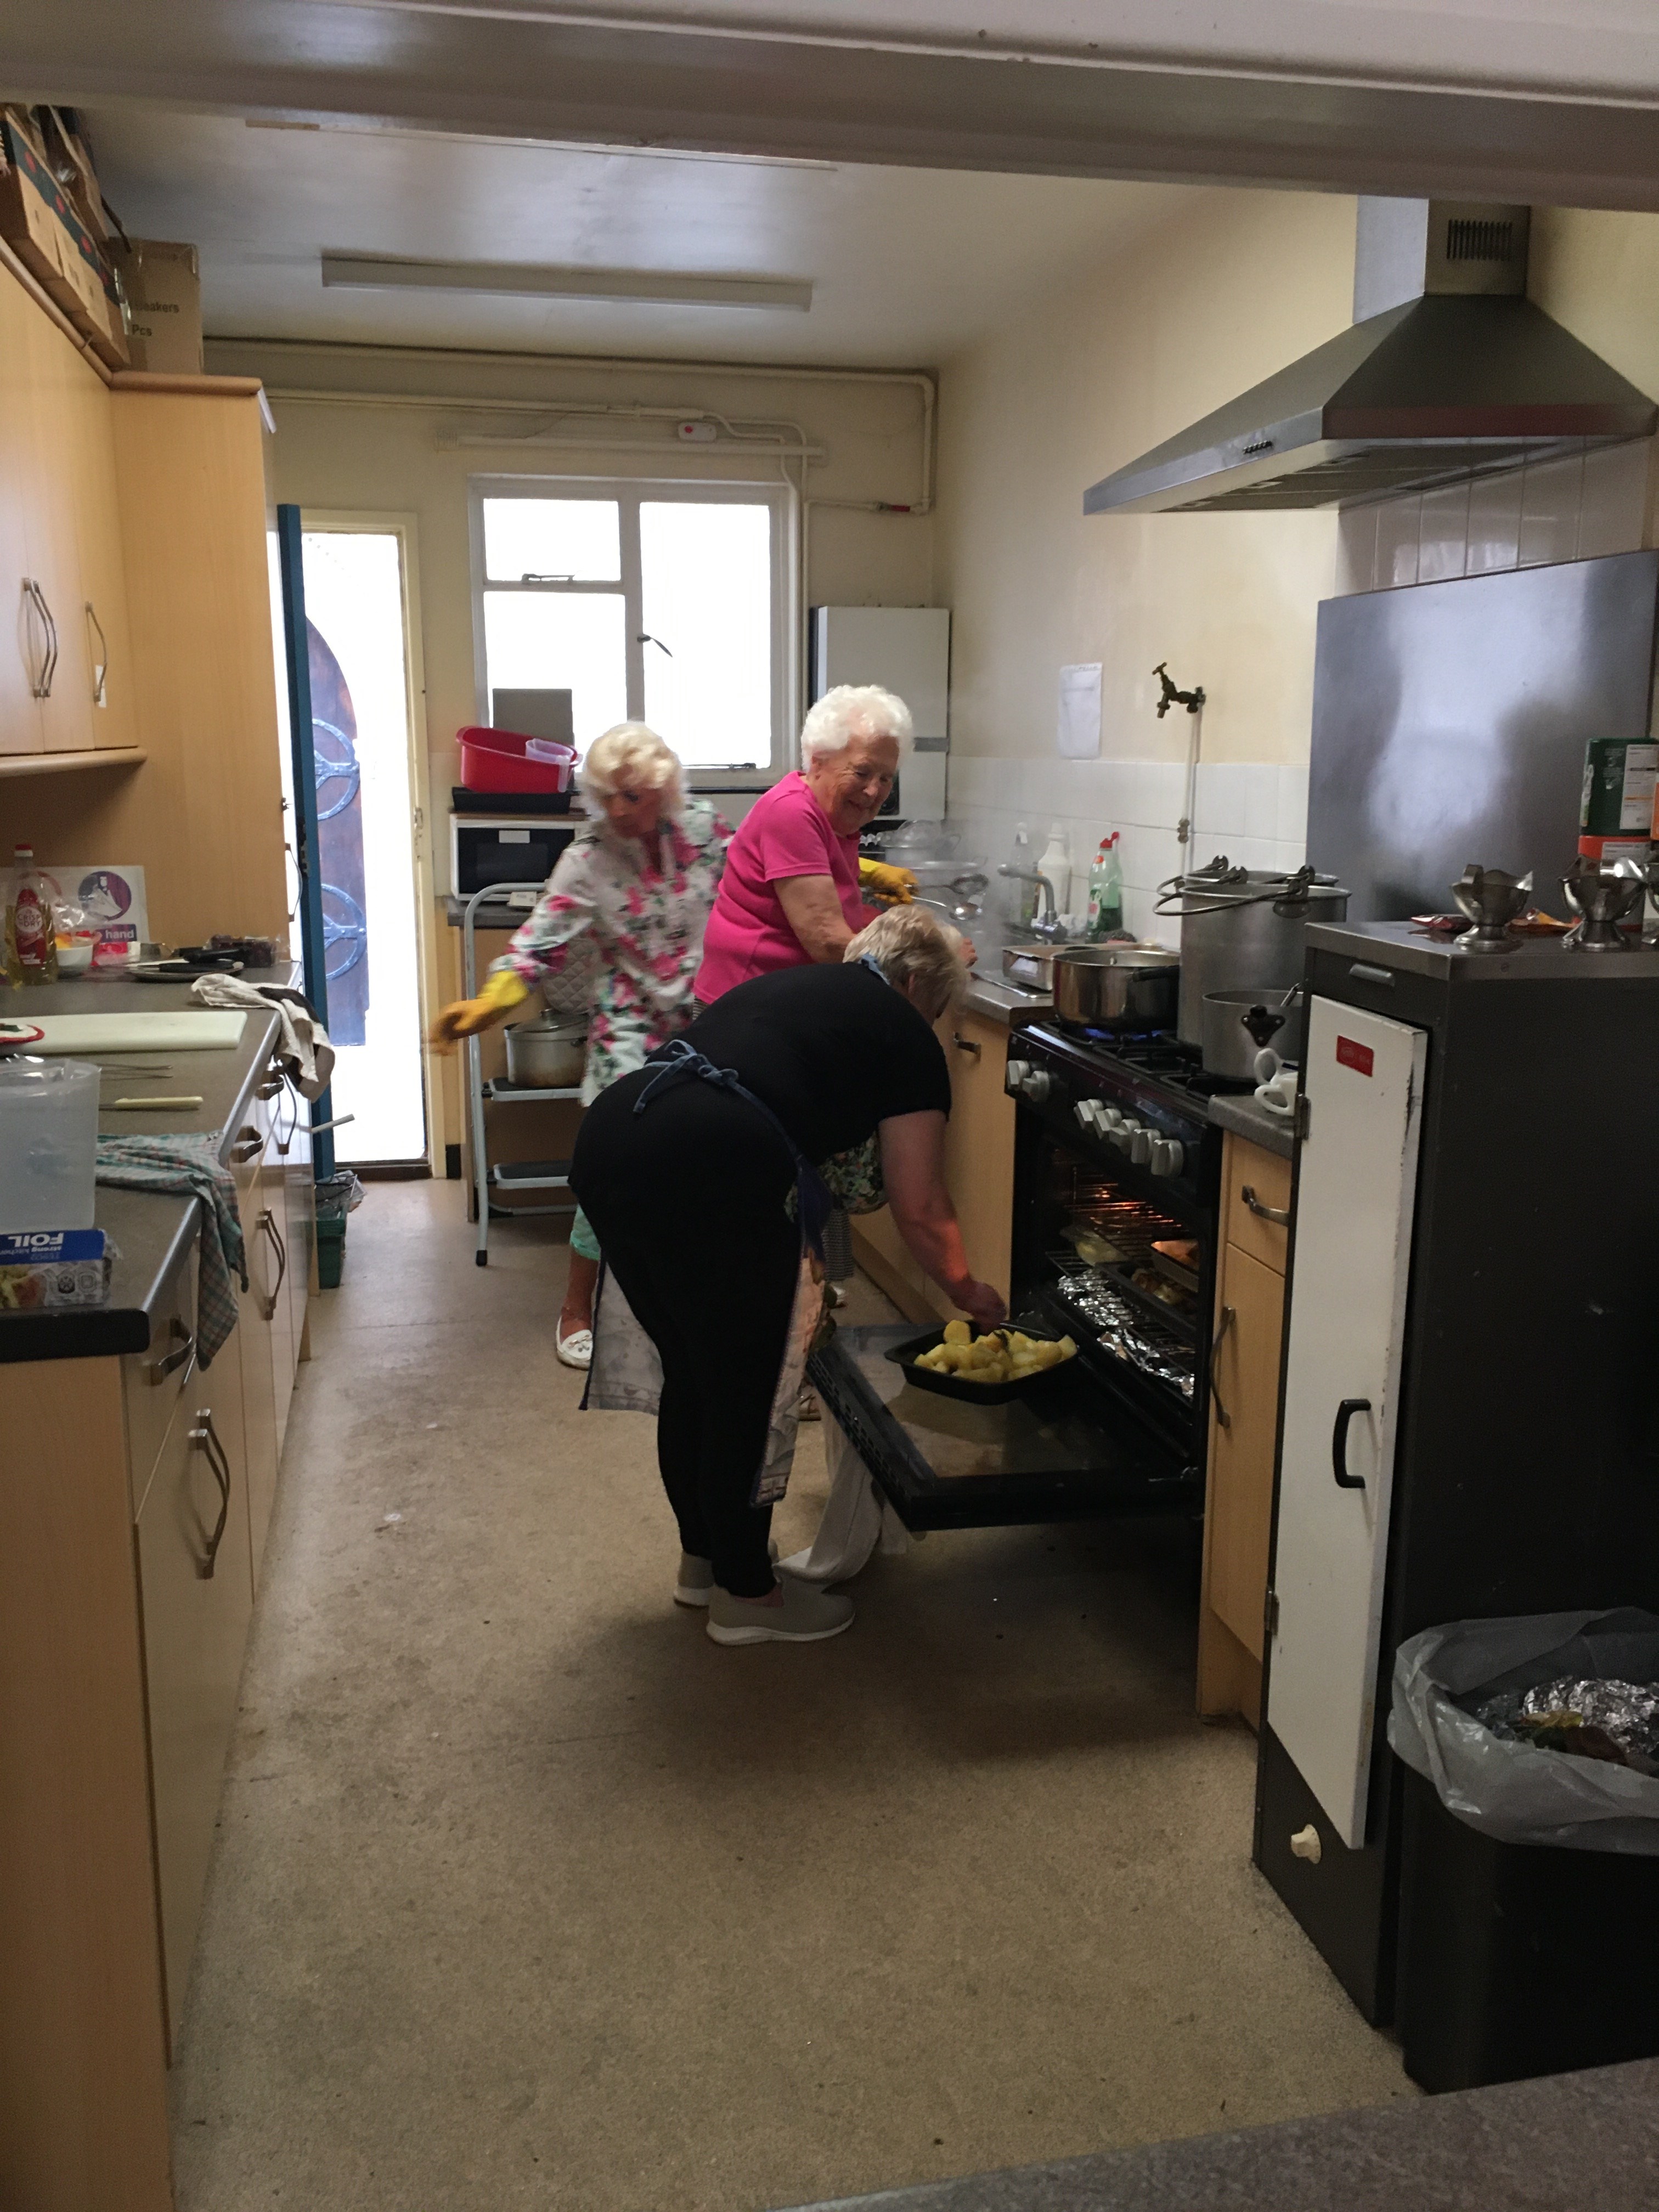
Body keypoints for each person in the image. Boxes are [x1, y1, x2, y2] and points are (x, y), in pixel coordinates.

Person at [570, 905, 1006, 1647]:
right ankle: (749, 1597)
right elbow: (920, 1201)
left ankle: (705, 1564)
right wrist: (969, 1291)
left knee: (695, 1373)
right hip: (713, 1167)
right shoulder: (901, 1030)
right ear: (911, 984)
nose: (930, 1025)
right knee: (742, 1386)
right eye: (935, 1009)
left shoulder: (793, 989)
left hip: (612, 1141)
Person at [431, 724, 729, 1368]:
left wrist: (858, 867)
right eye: (609, 798)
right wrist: (490, 1003)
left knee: (710, 1170)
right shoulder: (587, 858)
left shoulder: (706, 831)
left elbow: (770, 871)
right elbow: (536, 945)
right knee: (613, 1171)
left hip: (709, 1022)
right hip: (630, 1027)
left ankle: (692, 1307)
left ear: (663, 789)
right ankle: (575, 1307)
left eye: (635, 796)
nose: (621, 811)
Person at [695, 683, 919, 1004]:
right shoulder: (792, 812)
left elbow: (837, 908)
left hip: (783, 999)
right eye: (862, 772)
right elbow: (827, 942)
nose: (873, 791)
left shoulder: (836, 818)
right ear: (818, 762)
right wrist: (922, 960)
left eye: (886, 778)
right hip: (745, 1007)